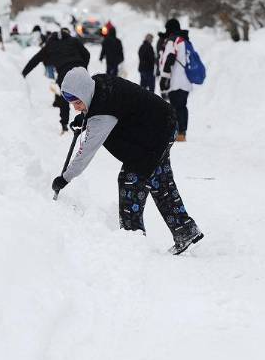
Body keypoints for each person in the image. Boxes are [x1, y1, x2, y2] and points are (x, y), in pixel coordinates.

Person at [52, 67, 203, 255]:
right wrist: (84, 118)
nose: (75, 106)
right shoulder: (98, 83)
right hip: (162, 122)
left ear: (84, 92)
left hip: (156, 133)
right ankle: (185, 230)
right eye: (71, 102)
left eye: (76, 102)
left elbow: (86, 153)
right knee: (159, 182)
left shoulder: (102, 115)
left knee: (130, 181)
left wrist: (65, 178)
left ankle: (132, 242)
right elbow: (108, 106)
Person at [22, 28, 90, 134]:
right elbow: (87, 54)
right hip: (80, 69)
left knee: (64, 99)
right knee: (87, 94)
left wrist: (24, 73)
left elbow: (36, 59)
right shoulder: (74, 40)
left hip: (64, 72)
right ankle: (91, 120)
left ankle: (64, 125)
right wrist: (84, 67)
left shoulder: (50, 44)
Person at [158, 18, 191, 142]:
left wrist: (164, 79)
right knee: (182, 106)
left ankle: (177, 132)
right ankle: (182, 132)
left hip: (176, 80)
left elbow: (170, 58)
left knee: (174, 108)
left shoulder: (173, 40)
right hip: (186, 80)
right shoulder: (185, 40)